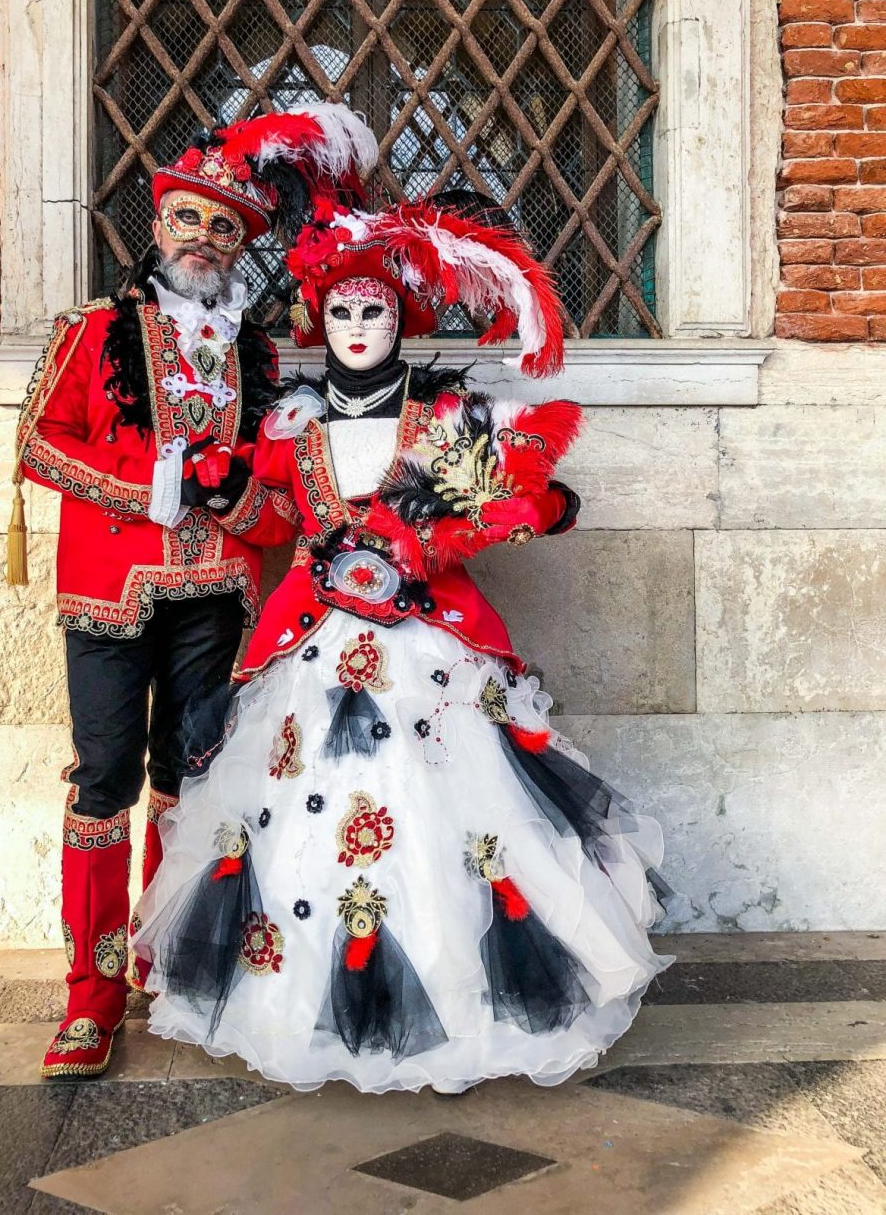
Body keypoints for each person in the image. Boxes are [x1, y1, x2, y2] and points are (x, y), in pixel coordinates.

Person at [133, 196, 672, 1094]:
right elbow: (267, 512)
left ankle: (465, 1002)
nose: (355, 326)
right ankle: (296, 1001)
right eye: (340, 310)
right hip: (312, 645)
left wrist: (519, 509)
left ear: (400, 318)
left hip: (427, 647)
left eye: (373, 309)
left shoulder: (446, 421)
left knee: (464, 818)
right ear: (319, 320)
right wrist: (212, 484)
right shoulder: (291, 432)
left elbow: (512, 499)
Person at [11, 104, 379, 1079]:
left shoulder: (255, 357)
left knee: (189, 778)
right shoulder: (95, 331)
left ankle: (158, 954)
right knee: (103, 781)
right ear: (160, 224)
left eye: (226, 228)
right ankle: (88, 997)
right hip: (108, 586)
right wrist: (143, 491)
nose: (206, 239)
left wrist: (235, 499)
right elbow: (39, 443)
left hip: (216, 587)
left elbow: (271, 483)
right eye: (191, 219)